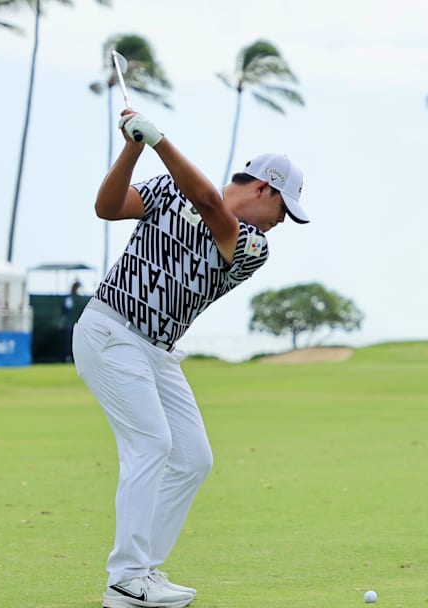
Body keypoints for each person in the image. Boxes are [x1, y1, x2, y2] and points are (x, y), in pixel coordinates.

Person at [72, 110, 309, 608]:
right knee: (152, 443)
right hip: (111, 330)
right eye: (284, 209)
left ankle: (141, 573)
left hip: (157, 352)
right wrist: (134, 146)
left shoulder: (253, 245)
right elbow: (107, 206)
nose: (282, 223)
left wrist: (159, 139)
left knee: (193, 458)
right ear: (265, 188)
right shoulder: (167, 188)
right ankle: (127, 576)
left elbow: (208, 203)